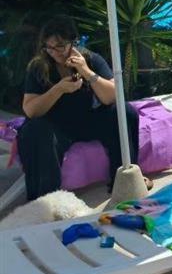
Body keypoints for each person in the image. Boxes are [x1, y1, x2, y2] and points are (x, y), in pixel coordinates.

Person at [17, 16, 144, 201]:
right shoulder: (39, 67)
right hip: (55, 126)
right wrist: (58, 89)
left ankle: (124, 180)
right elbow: (30, 110)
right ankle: (45, 199)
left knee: (125, 112)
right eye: (49, 47)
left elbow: (112, 96)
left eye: (60, 46)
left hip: (86, 118)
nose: (54, 52)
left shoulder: (90, 59)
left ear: (72, 42)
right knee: (34, 130)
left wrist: (87, 72)